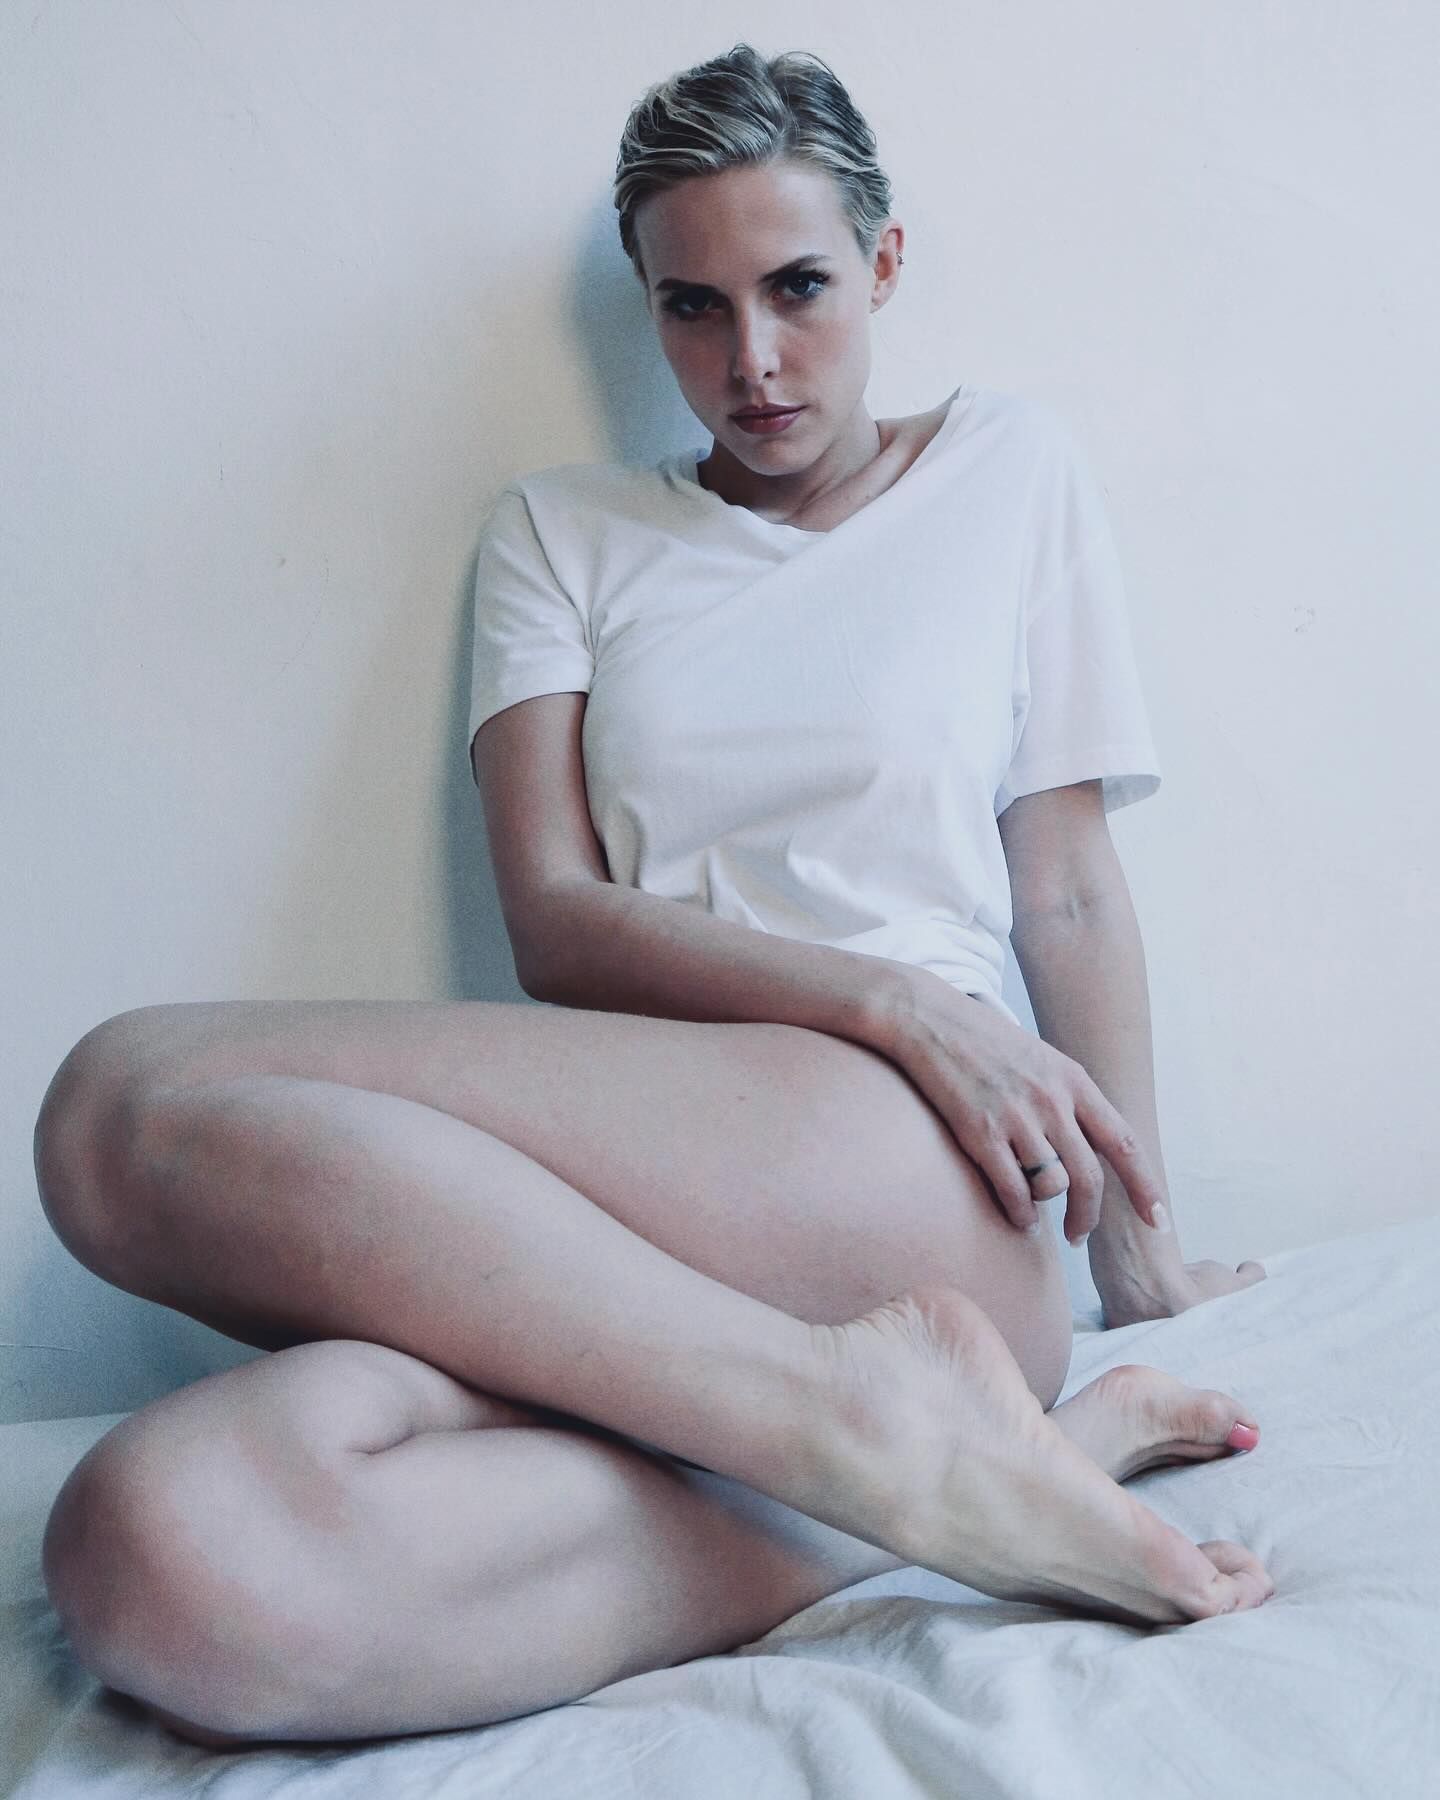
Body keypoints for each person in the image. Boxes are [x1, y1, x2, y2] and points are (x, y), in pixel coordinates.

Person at [31, 42, 1273, 1752]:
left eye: (798, 288)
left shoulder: (1010, 470)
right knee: (161, 1550)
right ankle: (965, 1467)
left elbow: (1061, 887)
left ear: (884, 264)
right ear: (650, 307)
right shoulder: (562, 531)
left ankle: (889, 1418)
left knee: (119, 1104)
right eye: (694, 307)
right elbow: (556, 917)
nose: (751, 360)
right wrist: (893, 998)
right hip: (672, 1220)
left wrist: (1135, 1246)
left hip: (910, 1167)